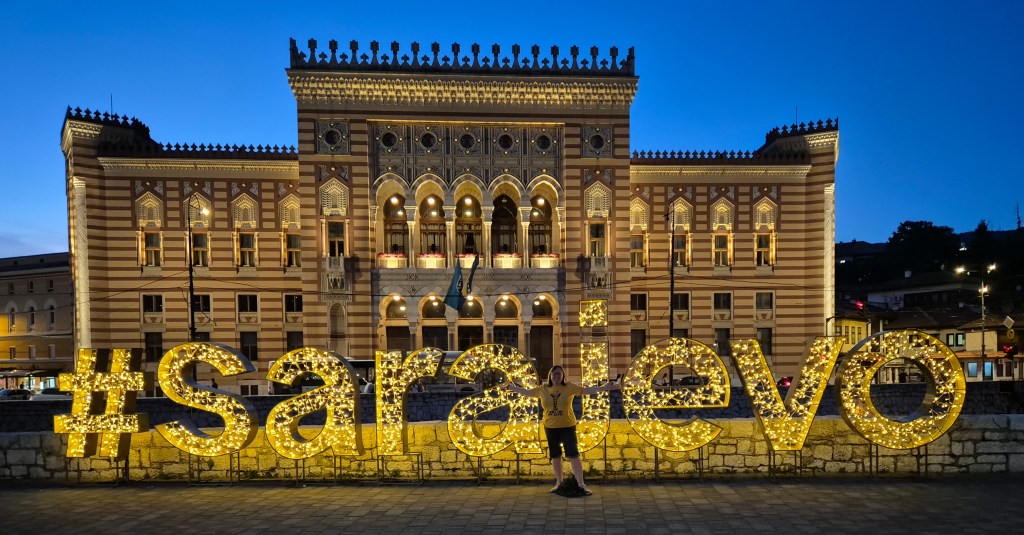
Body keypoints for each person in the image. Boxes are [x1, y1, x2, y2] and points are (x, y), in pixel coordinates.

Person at [502, 365, 620, 495]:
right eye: (554, 374)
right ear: (550, 376)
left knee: (573, 454)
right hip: (550, 427)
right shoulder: (543, 389)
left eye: (559, 374)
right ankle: (559, 483)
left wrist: (605, 387)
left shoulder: (569, 387)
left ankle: (581, 484)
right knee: (555, 456)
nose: (557, 376)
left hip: (567, 426)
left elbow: (586, 390)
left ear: (563, 376)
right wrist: (511, 387)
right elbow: (528, 392)